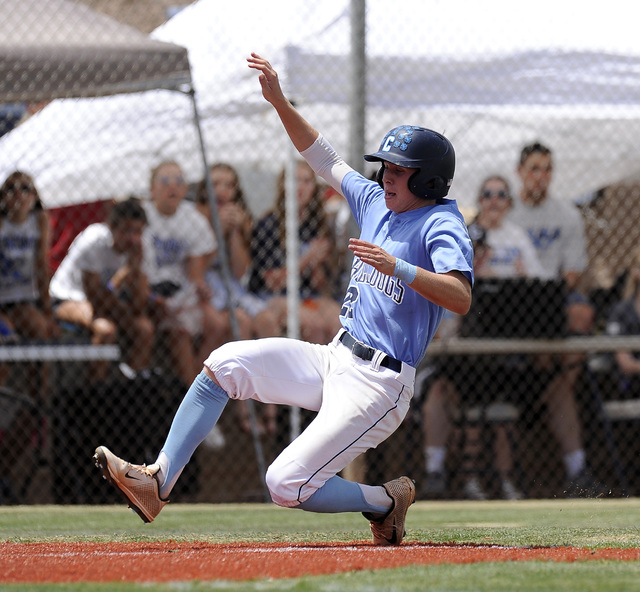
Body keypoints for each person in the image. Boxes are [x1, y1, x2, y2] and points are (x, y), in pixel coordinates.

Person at [93, 52, 473, 547]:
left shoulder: (441, 222)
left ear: (427, 180)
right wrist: (278, 102)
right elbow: (324, 157)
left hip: (381, 384)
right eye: (385, 169)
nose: (385, 178)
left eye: (398, 171)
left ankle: (384, 499)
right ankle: (158, 483)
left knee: (284, 484)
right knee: (224, 363)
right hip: (336, 355)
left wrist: (397, 266)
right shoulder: (379, 201)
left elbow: (461, 295)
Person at [421, 176, 542, 500]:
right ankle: (443, 473)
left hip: (505, 348)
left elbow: (539, 287)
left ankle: (504, 481)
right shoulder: (465, 235)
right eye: (487, 194)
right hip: (464, 348)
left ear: (509, 202)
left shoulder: (517, 237)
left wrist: (517, 278)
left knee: (500, 406)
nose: (494, 201)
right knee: (448, 393)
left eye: (502, 195)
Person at [507, 141, 606, 497]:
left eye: (547, 169)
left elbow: (573, 273)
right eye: (534, 168)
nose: (541, 176)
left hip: (555, 299)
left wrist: (546, 296)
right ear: (520, 172)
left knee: (581, 312)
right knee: (559, 370)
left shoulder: (566, 214)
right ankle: (554, 378)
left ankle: (550, 373)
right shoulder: (506, 213)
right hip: (513, 304)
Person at [195, 163, 280, 436]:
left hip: (231, 285)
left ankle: (271, 408)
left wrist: (233, 233)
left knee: (266, 320)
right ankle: (244, 410)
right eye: (216, 183)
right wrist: (217, 229)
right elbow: (200, 264)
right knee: (241, 323)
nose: (222, 190)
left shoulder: (240, 218)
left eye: (229, 185)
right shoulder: (196, 216)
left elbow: (240, 270)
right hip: (205, 283)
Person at [143, 161, 229, 386]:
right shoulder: (143, 216)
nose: (172, 186)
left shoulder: (192, 219)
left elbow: (196, 270)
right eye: (164, 181)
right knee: (179, 330)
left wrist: (195, 287)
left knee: (218, 325)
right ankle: (194, 397)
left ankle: (199, 386)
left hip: (180, 292)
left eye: (179, 181)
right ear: (152, 189)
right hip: (148, 290)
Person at [49, 197, 154, 380]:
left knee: (144, 329)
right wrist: (123, 287)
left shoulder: (141, 248)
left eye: (137, 231)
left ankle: (128, 387)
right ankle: (96, 393)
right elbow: (95, 297)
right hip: (69, 298)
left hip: (110, 303)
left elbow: (139, 305)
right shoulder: (95, 239)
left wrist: (135, 270)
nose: (131, 238)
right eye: (126, 231)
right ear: (112, 228)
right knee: (105, 330)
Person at [249, 160, 342, 345]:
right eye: (294, 180)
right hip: (271, 296)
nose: (300, 187)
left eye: (307, 181)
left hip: (308, 294)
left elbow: (320, 285)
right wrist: (308, 258)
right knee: (313, 325)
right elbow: (273, 283)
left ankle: (332, 373)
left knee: (339, 322)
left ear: (314, 187)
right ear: (283, 185)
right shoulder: (268, 224)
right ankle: (308, 374)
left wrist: (318, 262)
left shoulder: (318, 224)